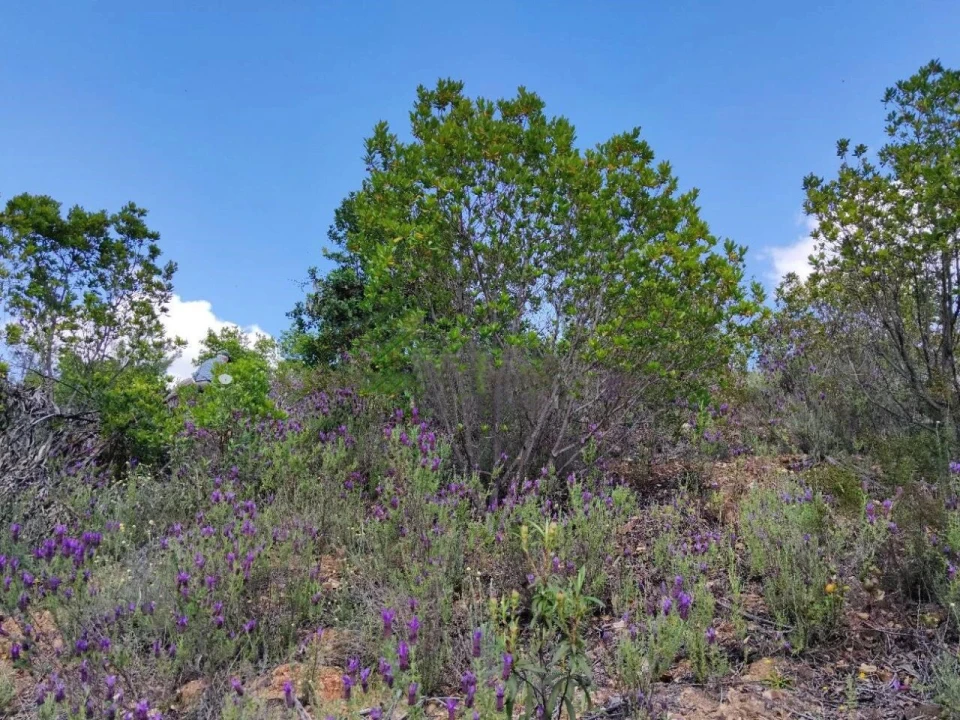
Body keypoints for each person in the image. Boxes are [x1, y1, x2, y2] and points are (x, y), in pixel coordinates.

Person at [166, 351, 230, 403]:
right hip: (209, 385)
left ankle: (170, 396)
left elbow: (194, 375)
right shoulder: (223, 364)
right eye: (227, 360)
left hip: (196, 383)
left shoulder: (206, 362)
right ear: (226, 358)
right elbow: (224, 379)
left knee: (188, 382)